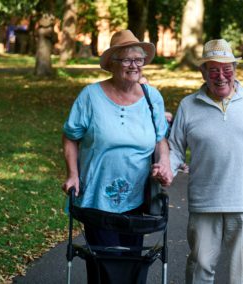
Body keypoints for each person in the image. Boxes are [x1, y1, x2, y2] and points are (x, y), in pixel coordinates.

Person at [61, 29, 173, 283]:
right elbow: (70, 136)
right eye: (126, 60)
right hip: (96, 197)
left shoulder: (151, 97)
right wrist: (73, 174)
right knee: (107, 266)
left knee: (132, 264)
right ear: (112, 63)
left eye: (139, 59)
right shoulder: (90, 96)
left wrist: (164, 162)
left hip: (137, 199)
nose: (134, 65)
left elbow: (160, 139)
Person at [168, 38, 243, 284]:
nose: (221, 76)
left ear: (235, 71)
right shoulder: (188, 106)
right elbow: (175, 148)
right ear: (203, 73)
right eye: (214, 70)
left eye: (227, 70)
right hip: (204, 201)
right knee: (200, 267)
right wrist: (166, 169)